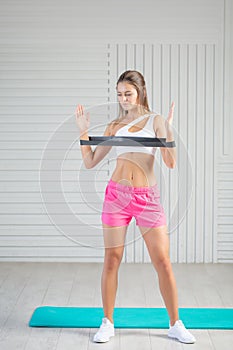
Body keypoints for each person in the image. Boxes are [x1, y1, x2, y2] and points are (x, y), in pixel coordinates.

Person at [75, 70, 196, 344]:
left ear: (140, 92)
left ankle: (175, 324)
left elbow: (171, 163)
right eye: (119, 94)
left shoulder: (155, 121)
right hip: (116, 196)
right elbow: (91, 161)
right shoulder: (115, 125)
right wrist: (83, 130)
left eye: (128, 93)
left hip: (147, 198)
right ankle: (107, 322)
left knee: (163, 261)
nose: (124, 99)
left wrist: (168, 130)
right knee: (112, 260)